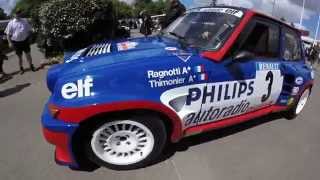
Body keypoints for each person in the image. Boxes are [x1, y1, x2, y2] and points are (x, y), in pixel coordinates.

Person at [5, 10, 35, 74]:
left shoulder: (25, 21)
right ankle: (21, 68)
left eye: (19, 13)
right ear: (14, 14)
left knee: (28, 55)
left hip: (25, 41)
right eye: (16, 13)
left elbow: (29, 30)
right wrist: (9, 42)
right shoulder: (11, 23)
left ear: (20, 14)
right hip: (16, 43)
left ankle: (31, 66)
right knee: (19, 57)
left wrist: (30, 38)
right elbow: (8, 34)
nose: (18, 14)